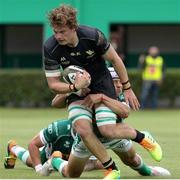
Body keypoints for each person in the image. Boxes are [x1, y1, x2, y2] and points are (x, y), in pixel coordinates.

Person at [43, 4, 161, 179]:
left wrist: (127, 88)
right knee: (82, 131)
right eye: (55, 32)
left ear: (73, 27)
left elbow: (115, 59)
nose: (58, 36)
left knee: (107, 129)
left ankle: (142, 138)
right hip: (77, 90)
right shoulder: (50, 47)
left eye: (62, 31)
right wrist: (74, 87)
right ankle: (112, 169)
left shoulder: (92, 36)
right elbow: (53, 84)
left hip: (101, 85)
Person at [39, 68, 165, 179]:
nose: (119, 85)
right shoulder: (85, 89)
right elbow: (55, 103)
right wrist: (72, 89)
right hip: (89, 140)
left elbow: (125, 112)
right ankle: (55, 161)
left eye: (119, 82)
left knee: (132, 160)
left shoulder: (117, 95)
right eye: (114, 82)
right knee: (71, 174)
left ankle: (149, 171)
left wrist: (102, 98)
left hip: (114, 135)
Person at [3, 120, 103, 173]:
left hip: (69, 158)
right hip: (47, 157)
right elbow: (33, 144)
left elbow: (93, 163)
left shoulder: (93, 134)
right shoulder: (59, 128)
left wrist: (109, 168)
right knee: (30, 161)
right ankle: (13, 147)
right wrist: (39, 168)